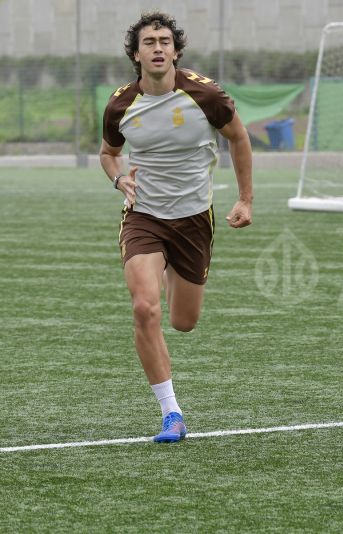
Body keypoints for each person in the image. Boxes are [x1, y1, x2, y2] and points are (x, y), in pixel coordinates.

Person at [99, 11, 253, 443]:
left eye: (165, 40)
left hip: (192, 219)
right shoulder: (120, 104)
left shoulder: (206, 96)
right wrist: (118, 177)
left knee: (183, 322)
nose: (158, 47)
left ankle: (171, 267)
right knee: (145, 307)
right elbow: (108, 153)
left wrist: (245, 199)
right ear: (136, 53)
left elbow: (239, 138)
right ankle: (172, 413)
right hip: (143, 216)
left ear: (177, 50)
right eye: (149, 41)